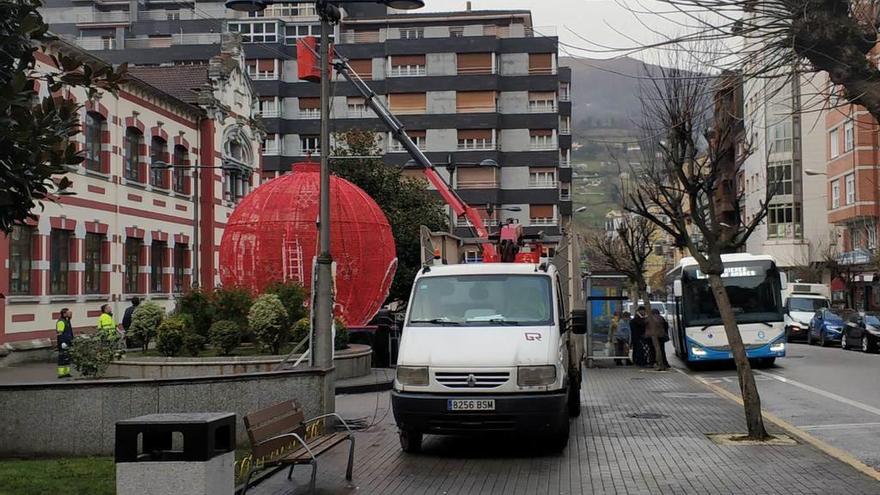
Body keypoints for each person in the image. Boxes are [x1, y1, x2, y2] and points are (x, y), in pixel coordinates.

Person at [56, 308, 74, 378]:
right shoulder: (61, 322)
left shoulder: (67, 321)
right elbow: (60, 334)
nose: (70, 314)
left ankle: (66, 373)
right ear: (64, 314)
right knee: (62, 358)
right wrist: (62, 342)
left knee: (67, 358)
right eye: (68, 313)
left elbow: (69, 332)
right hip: (63, 343)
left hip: (68, 342)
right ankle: (61, 373)